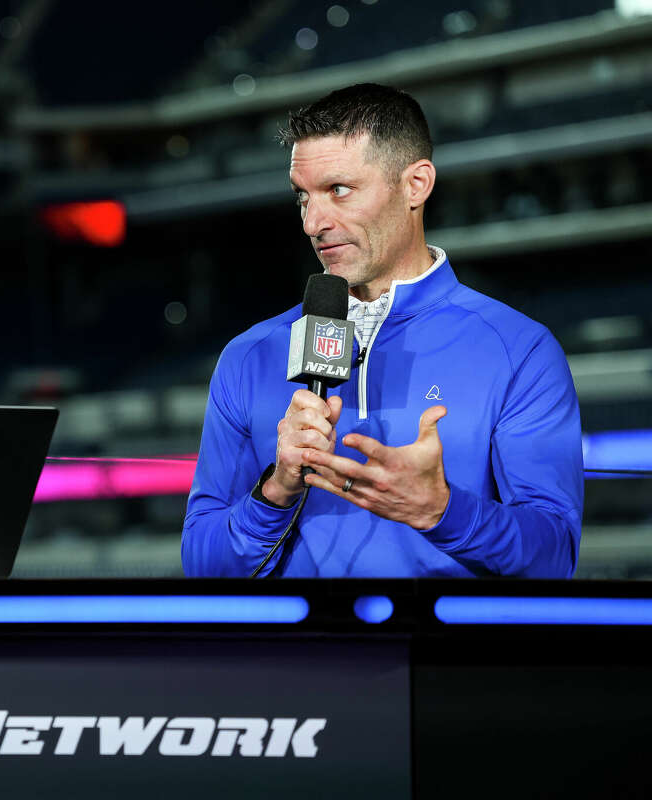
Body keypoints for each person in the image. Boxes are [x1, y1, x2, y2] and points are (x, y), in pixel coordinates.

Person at [182, 83, 582, 578]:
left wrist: (441, 512)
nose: (313, 223)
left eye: (339, 191)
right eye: (302, 197)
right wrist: (277, 490)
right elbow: (202, 564)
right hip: (299, 652)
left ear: (416, 185)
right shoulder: (249, 355)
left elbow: (554, 559)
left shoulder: (521, 350)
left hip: (442, 652)